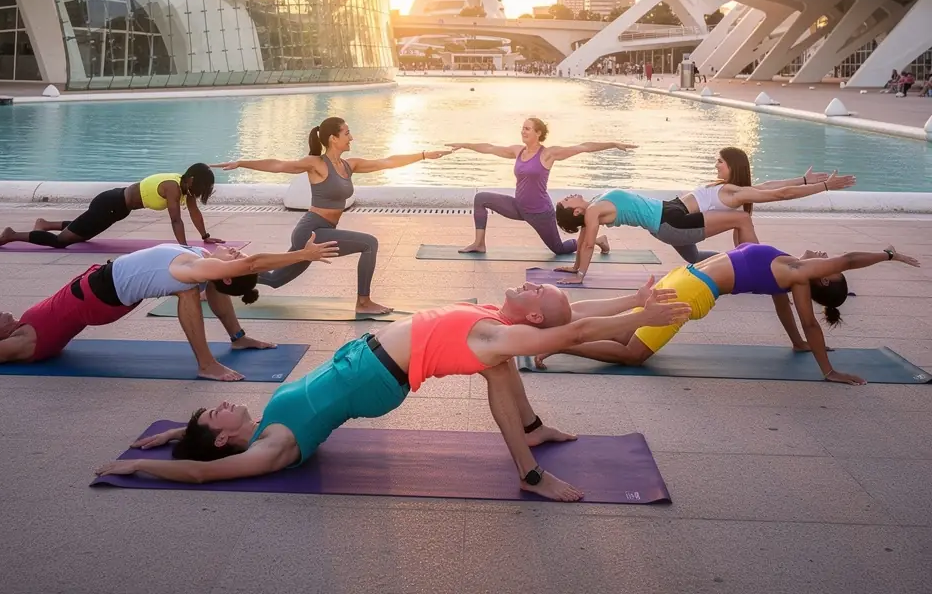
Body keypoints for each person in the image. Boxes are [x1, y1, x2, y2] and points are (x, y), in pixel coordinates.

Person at [94, 280, 692, 500]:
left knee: (501, 367)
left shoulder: (499, 325)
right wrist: (139, 465)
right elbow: (202, 473)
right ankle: (529, 463)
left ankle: (529, 450)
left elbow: (576, 320)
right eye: (214, 414)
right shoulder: (270, 446)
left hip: (382, 365)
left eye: (534, 294)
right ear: (225, 437)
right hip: (381, 374)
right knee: (499, 364)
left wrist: (636, 305)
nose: (528, 285)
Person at [0, 237, 338, 381]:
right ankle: (208, 362)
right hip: (102, 297)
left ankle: (234, 342)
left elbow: (241, 266)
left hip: (104, 289)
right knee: (190, 290)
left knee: (193, 288)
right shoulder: (22, 343)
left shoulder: (198, 265)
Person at [535, 243, 919, 385]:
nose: (825, 255)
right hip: (691, 286)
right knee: (632, 349)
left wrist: (888, 255)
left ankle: (555, 330)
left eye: (828, 267)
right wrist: (806, 349)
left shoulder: (796, 275)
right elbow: (792, 313)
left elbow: (805, 314)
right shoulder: (790, 272)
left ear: (823, 279)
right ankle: (559, 341)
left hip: (687, 281)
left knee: (626, 338)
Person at [213, 118, 453, 315]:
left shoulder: (350, 165)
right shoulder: (317, 163)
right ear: (333, 138)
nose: (352, 137)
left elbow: (387, 162)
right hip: (311, 232)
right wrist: (241, 163)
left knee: (275, 280)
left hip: (321, 230)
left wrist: (423, 154)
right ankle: (363, 302)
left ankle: (219, 273)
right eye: (347, 133)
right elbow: (278, 165)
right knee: (369, 243)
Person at [553, 170, 855, 284]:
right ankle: (760, 270)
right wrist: (579, 272)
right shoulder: (592, 211)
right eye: (566, 202)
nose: (567, 197)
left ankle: (756, 267)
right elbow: (587, 242)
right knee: (742, 218)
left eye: (721, 162)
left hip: (669, 218)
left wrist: (804, 181)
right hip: (671, 221)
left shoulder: (592, 207)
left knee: (697, 260)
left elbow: (770, 188)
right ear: (577, 211)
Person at [449, 118, 636, 256]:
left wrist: (612, 144)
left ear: (538, 133)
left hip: (540, 212)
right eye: (522, 128)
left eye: (527, 129)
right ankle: (479, 243)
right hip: (518, 207)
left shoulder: (548, 154)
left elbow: (583, 147)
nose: (523, 131)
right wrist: (465, 145)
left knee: (559, 249)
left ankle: (597, 241)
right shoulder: (517, 151)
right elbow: (490, 148)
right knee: (480, 198)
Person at [662, 148, 852, 263]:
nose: (716, 165)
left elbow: (782, 194)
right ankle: (745, 263)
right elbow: (766, 186)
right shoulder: (732, 189)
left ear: (733, 166)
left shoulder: (731, 191)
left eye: (720, 161)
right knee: (694, 258)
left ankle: (796, 263)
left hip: (679, 220)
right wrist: (803, 179)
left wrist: (824, 186)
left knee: (749, 253)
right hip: (679, 219)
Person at [0, 165, 218, 250]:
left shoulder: (184, 189)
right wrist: (184, 248)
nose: (197, 193)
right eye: (199, 187)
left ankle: (46, 224)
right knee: (61, 242)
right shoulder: (172, 187)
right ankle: (12, 235)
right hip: (109, 204)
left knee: (82, 235)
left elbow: (195, 213)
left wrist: (206, 236)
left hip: (116, 208)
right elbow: (175, 220)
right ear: (190, 179)